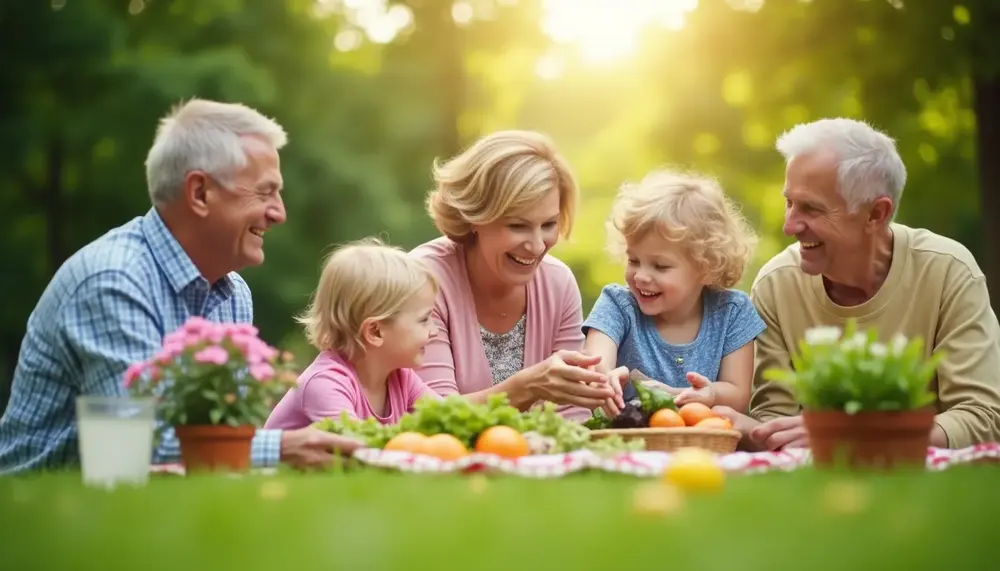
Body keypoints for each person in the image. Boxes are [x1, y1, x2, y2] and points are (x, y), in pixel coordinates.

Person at [0, 99, 361, 475]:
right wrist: (281, 448)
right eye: (265, 192)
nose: (279, 212)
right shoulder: (112, 281)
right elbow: (136, 443)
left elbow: (221, 438)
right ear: (200, 193)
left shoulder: (232, 293)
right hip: (43, 516)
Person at [714, 117, 1000, 451]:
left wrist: (861, 437)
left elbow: (983, 417)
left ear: (875, 214)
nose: (789, 225)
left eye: (810, 208)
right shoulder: (776, 286)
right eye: (789, 202)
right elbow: (774, 421)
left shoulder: (948, 271)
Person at [410, 130, 621, 422]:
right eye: (518, 226)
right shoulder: (424, 280)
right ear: (475, 217)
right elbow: (431, 416)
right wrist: (524, 389)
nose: (536, 246)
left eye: (548, 224)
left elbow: (572, 415)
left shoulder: (558, 284)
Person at [582, 169, 765, 416]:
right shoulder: (617, 305)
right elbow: (596, 362)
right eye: (634, 260)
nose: (641, 276)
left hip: (703, 442)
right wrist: (604, 378)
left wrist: (709, 394)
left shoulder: (732, 312)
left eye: (660, 266)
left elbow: (738, 395)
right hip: (628, 442)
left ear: (706, 267)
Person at [265, 239, 442, 429]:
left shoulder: (401, 378)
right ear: (374, 331)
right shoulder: (326, 384)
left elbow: (445, 417)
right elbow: (356, 450)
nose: (435, 331)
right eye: (424, 320)